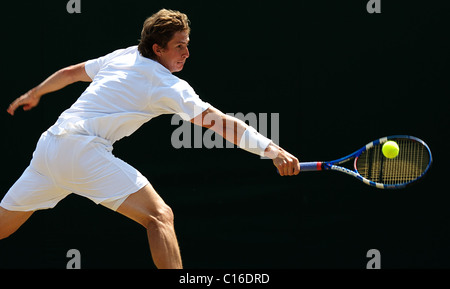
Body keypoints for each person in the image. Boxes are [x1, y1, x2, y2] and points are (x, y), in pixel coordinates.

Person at [0, 9, 300, 269]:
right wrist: (272, 149)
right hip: (82, 151)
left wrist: (36, 92)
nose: (186, 53)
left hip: (48, 148)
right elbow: (219, 123)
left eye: (187, 45)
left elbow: (71, 73)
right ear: (158, 49)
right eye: (179, 46)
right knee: (159, 217)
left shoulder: (125, 55)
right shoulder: (168, 85)